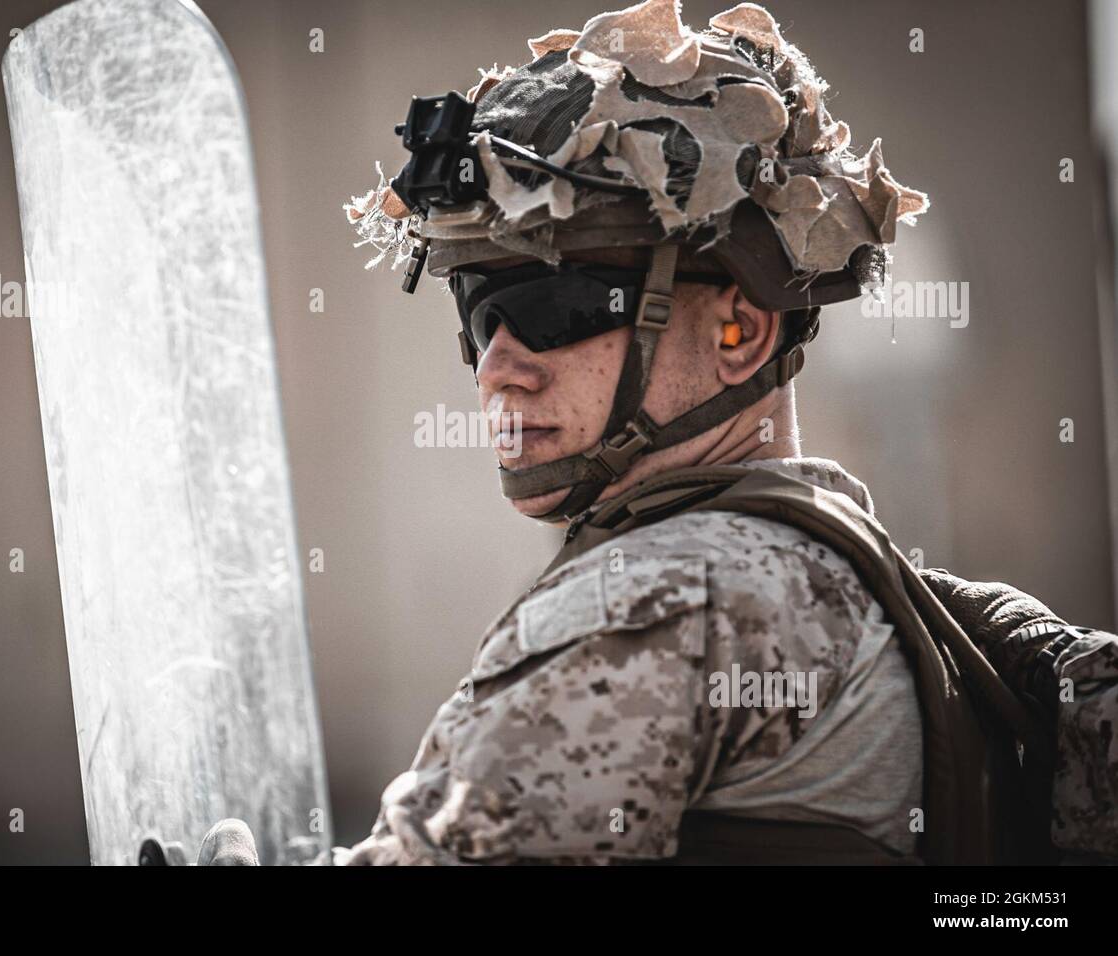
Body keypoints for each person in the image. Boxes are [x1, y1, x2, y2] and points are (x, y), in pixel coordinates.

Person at [203, 0, 1117, 865]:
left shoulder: (663, 596)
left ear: (740, 333)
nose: (497, 368)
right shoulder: (879, 584)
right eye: (483, 315)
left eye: (556, 307)